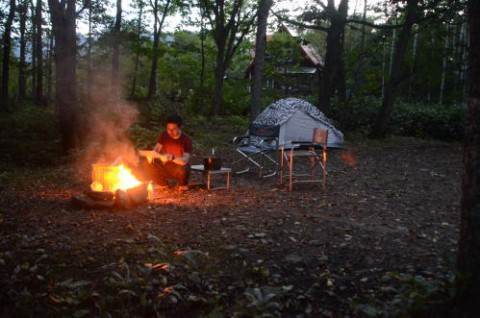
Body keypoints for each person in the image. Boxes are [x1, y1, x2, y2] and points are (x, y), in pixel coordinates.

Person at [141, 115, 193, 192]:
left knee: (184, 167)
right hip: (166, 166)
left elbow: (185, 160)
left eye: (173, 129)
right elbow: (156, 150)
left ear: (179, 127)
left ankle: (183, 185)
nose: (170, 131)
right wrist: (151, 155)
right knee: (147, 163)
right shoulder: (164, 135)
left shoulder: (186, 139)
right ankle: (163, 184)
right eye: (168, 129)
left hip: (179, 169)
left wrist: (172, 157)